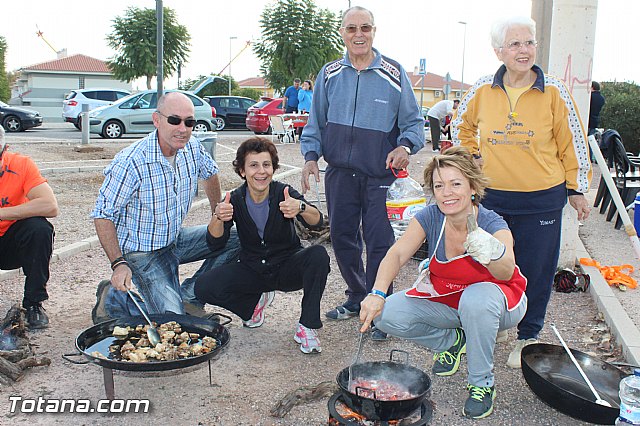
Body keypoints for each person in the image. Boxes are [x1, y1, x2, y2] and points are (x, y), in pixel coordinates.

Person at [451, 16, 592, 369]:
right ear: (499, 51)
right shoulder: (483, 88)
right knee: (488, 263)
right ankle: (497, 323)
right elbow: (460, 124)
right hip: (493, 197)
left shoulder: (554, 91)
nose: (524, 50)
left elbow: (572, 142)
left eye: (529, 42)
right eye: (515, 44)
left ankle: (528, 334)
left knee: (535, 269)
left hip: (541, 197)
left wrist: (576, 188)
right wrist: (472, 156)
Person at [359, 147, 527, 419]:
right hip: (449, 301)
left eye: (455, 184)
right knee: (386, 314)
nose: (447, 192)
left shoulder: (492, 222)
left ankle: (482, 383)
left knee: (476, 300)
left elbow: (507, 271)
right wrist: (377, 292)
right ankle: (452, 341)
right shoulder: (431, 216)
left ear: (473, 186)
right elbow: (398, 253)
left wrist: (491, 252)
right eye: (439, 185)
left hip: (501, 304)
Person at [299, 6, 424, 340]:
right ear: (342, 32)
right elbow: (316, 122)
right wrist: (311, 156)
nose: (358, 34)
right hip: (339, 174)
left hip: (380, 176)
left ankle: (380, 307)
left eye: (365, 28)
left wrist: (405, 147)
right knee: (341, 238)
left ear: (374, 31)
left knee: (380, 243)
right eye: (351, 28)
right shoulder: (329, 74)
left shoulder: (394, 74)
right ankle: (357, 297)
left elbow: (414, 124)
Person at [90, 92, 240, 323]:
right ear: (156, 120)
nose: (183, 128)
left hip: (175, 240)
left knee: (240, 237)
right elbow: (102, 214)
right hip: (143, 253)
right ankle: (114, 298)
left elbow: (210, 172)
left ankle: (189, 295)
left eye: (189, 122)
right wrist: (118, 264)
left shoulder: (192, 148)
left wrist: (217, 214)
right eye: (174, 120)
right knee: (173, 323)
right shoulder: (131, 162)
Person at [194, 137, 329, 353]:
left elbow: (317, 221)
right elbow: (215, 241)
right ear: (242, 171)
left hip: (287, 267)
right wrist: (218, 216)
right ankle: (251, 308)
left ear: (273, 168)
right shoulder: (234, 199)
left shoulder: (283, 192)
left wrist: (301, 207)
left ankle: (307, 326)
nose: (261, 171)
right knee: (203, 286)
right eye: (254, 165)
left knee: (318, 255)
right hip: (253, 269)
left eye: (266, 165)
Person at [0, 126, 59, 329]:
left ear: (4, 150)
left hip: (11, 244)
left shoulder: (21, 164)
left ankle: (34, 303)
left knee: (39, 229)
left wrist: (2, 214)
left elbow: (50, 205)